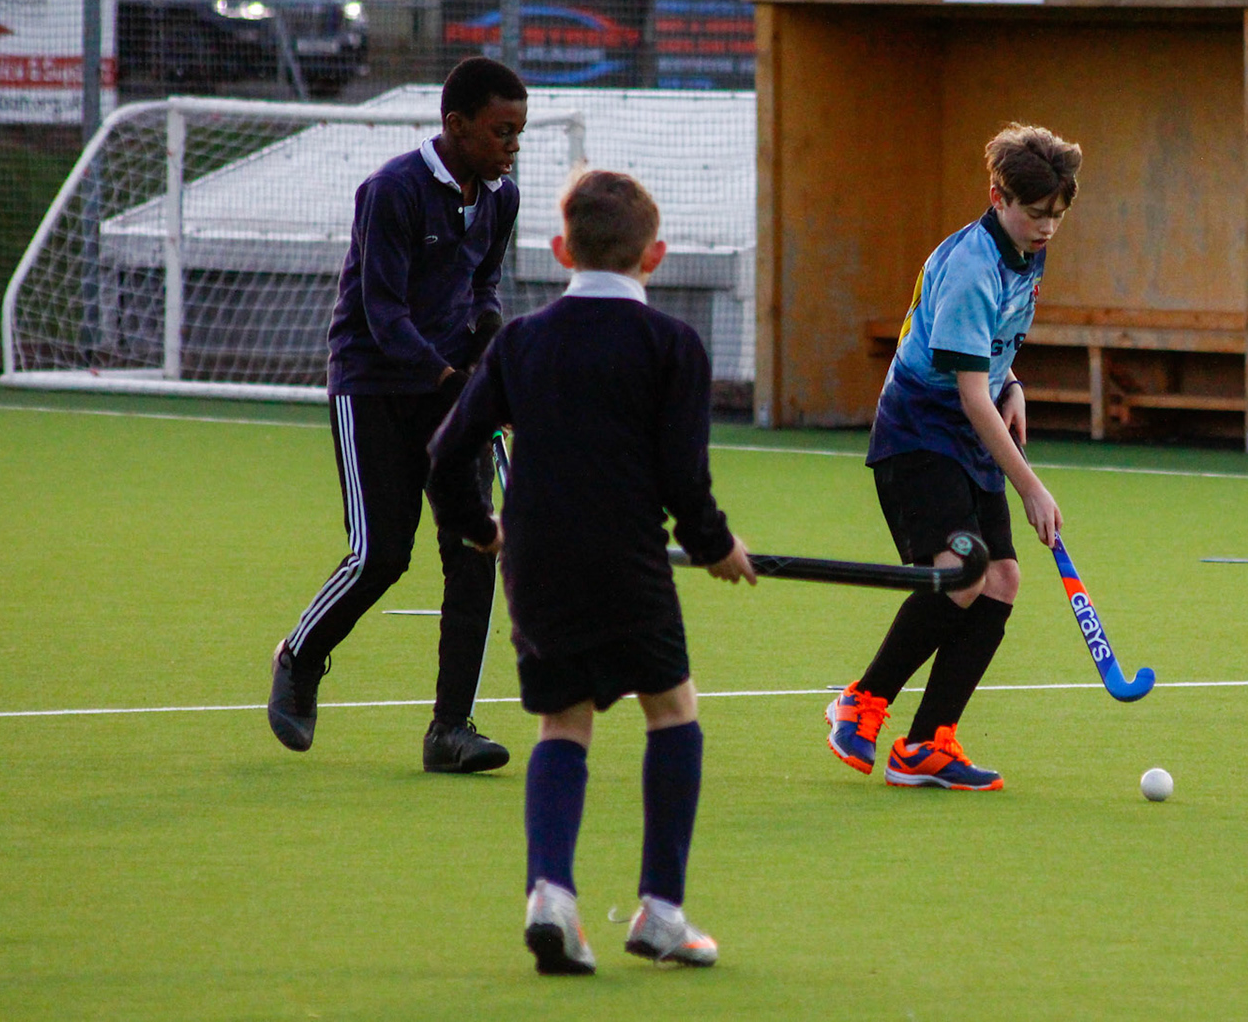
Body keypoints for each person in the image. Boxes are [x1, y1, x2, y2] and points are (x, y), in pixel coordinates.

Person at [426, 169, 754, 976]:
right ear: (655, 256)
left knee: (562, 723)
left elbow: (446, 455)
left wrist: (482, 529)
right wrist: (715, 547)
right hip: (627, 560)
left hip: (535, 561)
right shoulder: (672, 345)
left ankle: (551, 897)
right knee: (672, 710)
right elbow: (683, 479)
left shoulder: (520, 341)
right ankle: (663, 912)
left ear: (561, 250)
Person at [267, 56, 524, 773]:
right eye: (501, 131)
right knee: (381, 554)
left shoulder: (500, 196)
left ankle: (451, 730)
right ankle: (300, 656)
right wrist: (451, 381)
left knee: (474, 551)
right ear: (456, 125)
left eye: (519, 133)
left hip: (449, 392)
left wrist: (487, 346)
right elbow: (382, 314)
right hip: (374, 386)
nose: (512, 146)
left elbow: (483, 284)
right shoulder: (392, 191)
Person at [825, 123, 1079, 790]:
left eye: (1057, 215)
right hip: (920, 434)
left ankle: (926, 745)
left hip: (969, 430)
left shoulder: (1025, 248)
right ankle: (863, 700)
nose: (1047, 228)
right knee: (961, 575)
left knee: (1001, 580)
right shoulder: (971, 266)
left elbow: (991, 348)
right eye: (1035, 213)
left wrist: (1012, 383)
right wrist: (1030, 486)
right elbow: (968, 394)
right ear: (998, 197)